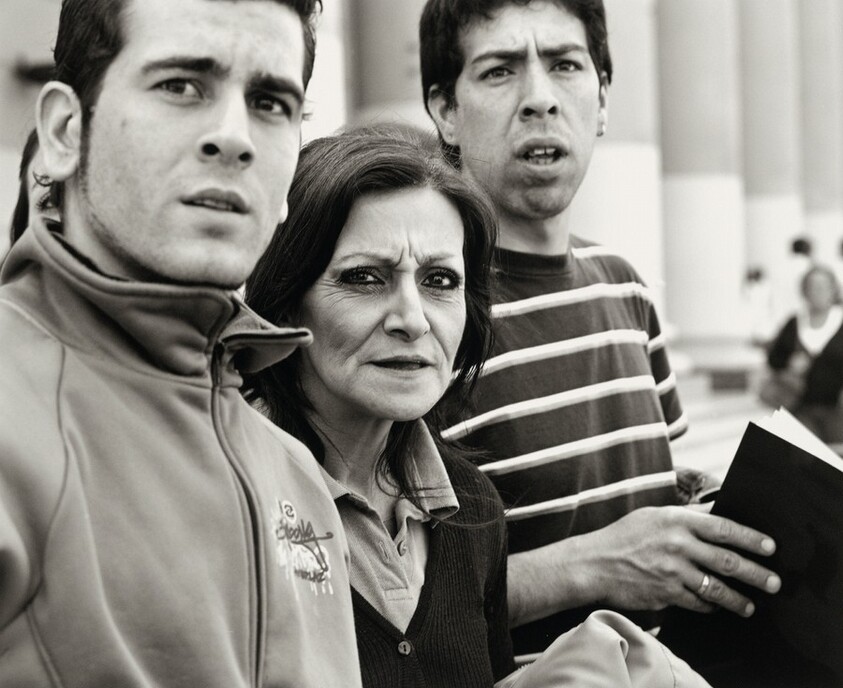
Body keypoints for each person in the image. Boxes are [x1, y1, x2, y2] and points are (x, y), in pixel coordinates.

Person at [244, 126, 711, 688]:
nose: (412, 319)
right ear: (287, 298)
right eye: (365, 278)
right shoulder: (232, 500)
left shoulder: (470, 507)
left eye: (440, 280)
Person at [0, 0, 362, 686]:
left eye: (270, 102)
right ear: (63, 131)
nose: (234, 136)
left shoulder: (298, 478)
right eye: (181, 85)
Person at [419, 0, 782, 659]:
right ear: (445, 110)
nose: (539, 99)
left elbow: (649, 486)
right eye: (499, 71)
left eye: (565, 65)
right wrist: (594, 564)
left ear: (603, 99)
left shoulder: (625, 287)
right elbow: (390, 598)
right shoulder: (418, 319)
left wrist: (712, 504)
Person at [764, 264, 843, 443]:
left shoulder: (840, 320)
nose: (817, 292)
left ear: (833, 290)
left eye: (823, 287)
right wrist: (790, 364)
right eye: (812, 287)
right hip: (801, 406)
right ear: (804, 291)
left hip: (838, 411)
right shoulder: (795, 322)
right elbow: (774, 359)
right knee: (807, 459)